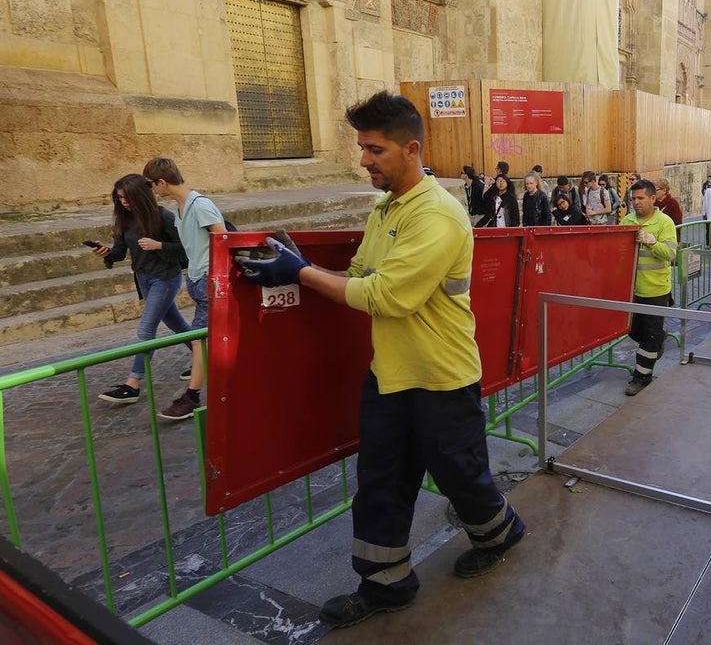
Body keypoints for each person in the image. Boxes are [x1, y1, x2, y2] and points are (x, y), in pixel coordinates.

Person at [236, 90, 526, 628]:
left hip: (442, 375)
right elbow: (360, 275)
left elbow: (388, 297)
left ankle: (501, 532)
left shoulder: (437, 214)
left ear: (411, 149)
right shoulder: (386, 208)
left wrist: (298, 272)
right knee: (381, 481)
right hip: (390, 375)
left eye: (374, 150)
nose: (364, 160)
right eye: (362, 149)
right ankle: (385, 584)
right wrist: (298, 262)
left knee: (460, 474)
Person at [92, 174, 192, 404]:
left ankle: (132, 384)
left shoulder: (162, 216)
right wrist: (106, 253)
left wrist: (159, 246)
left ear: (141, 194)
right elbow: (118, 252)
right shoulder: (123, 220)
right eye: (120, 199)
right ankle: (203, 354)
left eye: (127, 198)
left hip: (165, 278)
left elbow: (186, 247)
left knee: (146, 330)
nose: (124, 202)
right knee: (177, 324)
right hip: (143, 278)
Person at [142, 157, 226, 421]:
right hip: (198, 279)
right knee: (202, 338)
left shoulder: (200, 205)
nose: (151, 189)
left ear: (162, 182)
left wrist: (214, 277)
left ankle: (192, 396)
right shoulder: (181, 207)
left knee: (199, 338)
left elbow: (224, 237)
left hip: (210, 281)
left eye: (150, 184)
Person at [620, 179, 677, 396]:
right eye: (633, 198)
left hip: (656, 290)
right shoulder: (626, 220)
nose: (636, 202)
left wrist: (652, 242)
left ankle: (641, 378)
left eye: (640, 198)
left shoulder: (665, 223)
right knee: (634, 331)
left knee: (649, 338)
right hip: (632, 290)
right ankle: (658, 338)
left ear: (653, 198)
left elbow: (671, 254)